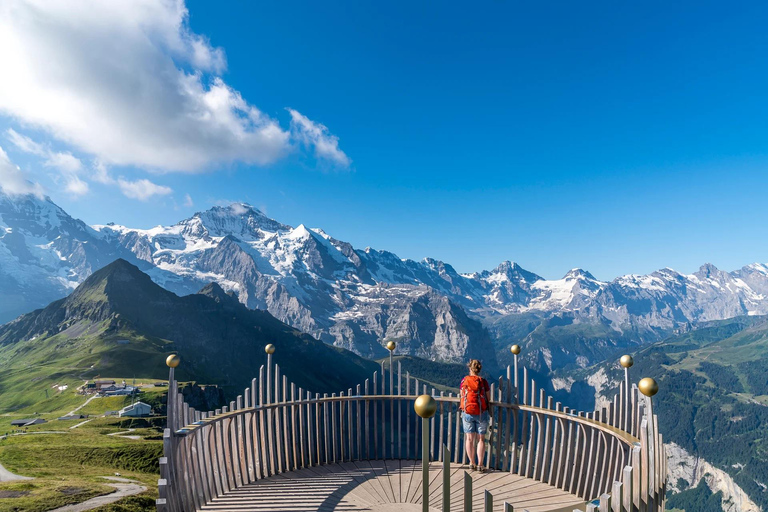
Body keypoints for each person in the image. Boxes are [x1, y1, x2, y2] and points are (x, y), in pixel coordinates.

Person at [459, 359, 491, 471]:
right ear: (479, 369)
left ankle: (471, 463)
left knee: (469, 439)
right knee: (481, 439)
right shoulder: (483, 382)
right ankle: (480, 465)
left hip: (467, 412)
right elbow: (488, 398)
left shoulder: (464, 380)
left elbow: (462, 395)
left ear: (470, 368)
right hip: (481, 412)